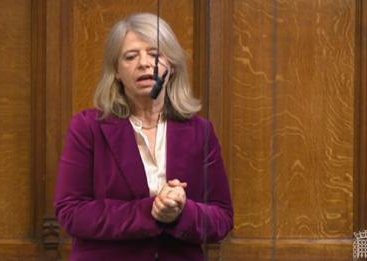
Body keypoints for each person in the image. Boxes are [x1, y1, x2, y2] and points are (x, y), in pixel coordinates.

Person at [54, 13, 233, 261]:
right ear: (116, 71)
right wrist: (151, 211)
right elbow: (70, 212)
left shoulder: (200, 131)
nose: (145, 63)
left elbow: (222, 219)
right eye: (130, 56)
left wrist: (182, 212)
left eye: (155, 54)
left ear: (171, 66)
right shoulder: (87, 128)